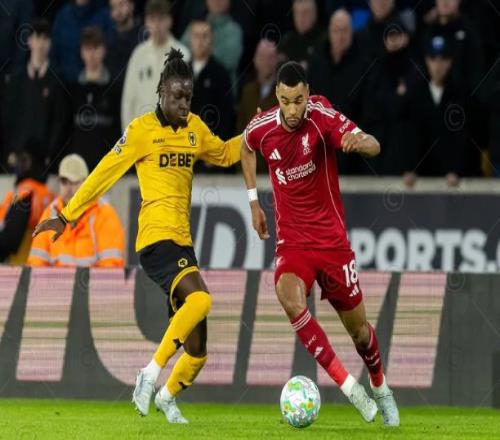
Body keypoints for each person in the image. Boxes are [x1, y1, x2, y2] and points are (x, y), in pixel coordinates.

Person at [33, 48, 241, 424]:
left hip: (183, 243)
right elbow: (103, 173)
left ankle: (166, 396)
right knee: (201, 299)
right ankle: (149, 373)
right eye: (177, 96)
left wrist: (261, 131)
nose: (184, 103)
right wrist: (65, 216)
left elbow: (227, 153)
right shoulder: (141, 131)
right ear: (161, 91)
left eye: (188, 97)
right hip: (155, 241)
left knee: (198, 351)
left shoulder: (195, 129)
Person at [240, 61, 400, 426]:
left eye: (298, 100)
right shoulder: (263, 127)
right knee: (287, 294)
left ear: (307, 94)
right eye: (285, 101)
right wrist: (253, 202)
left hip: (332, 244)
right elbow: (245, 148)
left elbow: (374, 144)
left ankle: (379, 386)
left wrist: (360, 143)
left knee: (360, 333)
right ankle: (349, 388)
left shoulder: (322, 117)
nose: (292, 110)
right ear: (277, 97)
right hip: (292, 243)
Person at [28, 154, 125, 267]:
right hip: (58, 280)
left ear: (87, 183)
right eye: (64, 181)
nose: (69, 188)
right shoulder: (50, 213)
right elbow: (35, 265)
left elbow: (111, 269)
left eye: (74, 182)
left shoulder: (104, 214)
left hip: (91, 280)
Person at [2, 19, 68, 169]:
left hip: (45, 162)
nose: (41, 44)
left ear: (50, 43)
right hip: (18, 159)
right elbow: (8, 118)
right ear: (30, 41)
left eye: (45, 39)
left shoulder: (57, 81)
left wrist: (51, 154)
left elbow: (59, 122)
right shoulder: (16, 80)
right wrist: (10, 151)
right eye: (37, 37)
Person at [405, 35, 466, 187]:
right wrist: (410, 168)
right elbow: (410, 135)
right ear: (427, 61)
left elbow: (461, 137)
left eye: (443, 59)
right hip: (421, 179)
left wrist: (455, 170)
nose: (438, 65)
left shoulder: (459, 94)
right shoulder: (416, 93)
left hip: (450, 179)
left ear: (450, 62)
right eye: (433, 59)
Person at [121, 0, 190, 129]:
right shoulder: (138, 54)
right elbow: (128, 100)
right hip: (142, 133)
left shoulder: (183, 55)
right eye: (152, 19)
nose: (157, 25)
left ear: (170, 21)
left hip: (171, 133)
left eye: (161, 19)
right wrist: (128, 135)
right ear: (146, 22)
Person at [68, 26, 121, 170]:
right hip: (78, 169)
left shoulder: (115, 88)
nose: (91, 54)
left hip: (106, 167)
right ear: (81, 52)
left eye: (96, 48)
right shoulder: (72, 89)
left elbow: (118, 129)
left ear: (104, 50)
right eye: (87, 48)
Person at [0, 145, 53, 264]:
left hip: (20, 265)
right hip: (36, 265)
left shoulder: (26, 192)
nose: (19, 165)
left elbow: (10, 240)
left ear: (35, 163)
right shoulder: (44, 193)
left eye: (24, 160)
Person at [189, 20, 235, 141]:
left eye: (204, 36)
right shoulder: (181, 72)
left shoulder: (221, 74)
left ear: (212, 40)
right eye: (196, 36)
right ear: (190, 39)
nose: (200, 41)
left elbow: (227, 115)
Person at [181, 0, 243, 87]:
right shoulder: (194, 25)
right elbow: (181, 52)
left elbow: (229, 61)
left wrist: (198, 53)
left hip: (220, 87)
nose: (216, 1)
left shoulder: (234, 31)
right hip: (190, 85)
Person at [51, 0, 113, 83]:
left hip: (101, 82)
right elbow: (54, 54)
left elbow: (112, 51)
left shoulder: (105, 15)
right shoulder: (62, 16)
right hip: (67, 84)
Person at [278, 0, 325, 70]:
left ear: (314, 14)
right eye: (297, 13)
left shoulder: (323, 41)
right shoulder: (287, 41)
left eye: (305, 13)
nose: (301, 18)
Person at [106, 0, 142, 86]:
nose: (118, 11)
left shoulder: (144, 36)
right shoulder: (108, 39)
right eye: (113, 7)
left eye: (121, 4)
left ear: (132, 6)